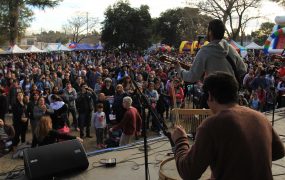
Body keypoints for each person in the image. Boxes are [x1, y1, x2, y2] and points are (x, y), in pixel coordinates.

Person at [171, 72, 285, 180]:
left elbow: (189, 172)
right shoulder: (260, 117)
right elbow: (279, 152)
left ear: (210, 95)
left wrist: (180, 140)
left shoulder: (211, 125)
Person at [175, 19, 247, 83]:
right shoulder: (231, 48)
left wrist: (179, 70)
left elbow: (192, 77)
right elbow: (243, 70)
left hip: (213, 96)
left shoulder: (204, 51)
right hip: (232, 95)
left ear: (210, 32)